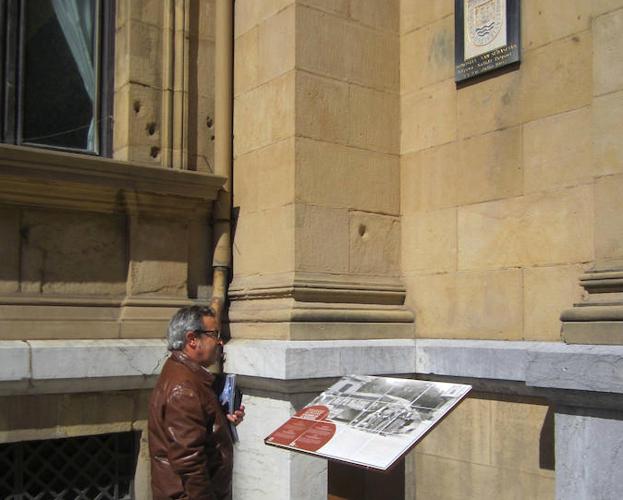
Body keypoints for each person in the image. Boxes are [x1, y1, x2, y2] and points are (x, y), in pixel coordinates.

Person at [148, 305, 245, 500]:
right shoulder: (184, 388)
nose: (219, 341)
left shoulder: (187, 375)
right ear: (192, 339)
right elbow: (189, 461)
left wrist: (222, 422)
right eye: (213, 334)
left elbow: (196, 434)